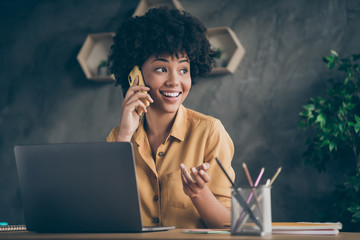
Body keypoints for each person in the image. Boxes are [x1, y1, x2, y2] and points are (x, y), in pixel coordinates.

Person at [106, 7, 235, 229]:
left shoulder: (210, 132)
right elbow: (105, 210)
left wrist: (198, 193)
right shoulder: (119, 137)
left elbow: (228, 223)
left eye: (183, 70)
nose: (175, 81)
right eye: (161, 69)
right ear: (135, 75)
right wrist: (126, 134)